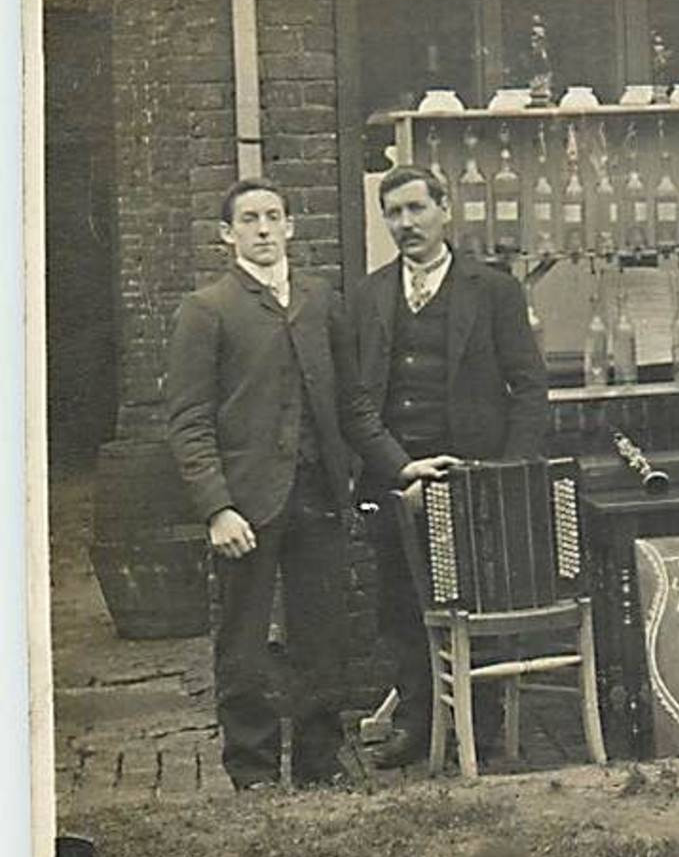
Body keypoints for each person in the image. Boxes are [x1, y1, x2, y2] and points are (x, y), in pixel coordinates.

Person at [166, 178, 442, 791]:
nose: (262, 230)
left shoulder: (321, 302)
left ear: (291, 225)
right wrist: (217, 507)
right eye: (248, 220)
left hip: (319, 496)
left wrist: (400, 465)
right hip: (246, 507)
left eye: (273, 216)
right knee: (244, 640)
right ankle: (254, 769)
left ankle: (320, 762)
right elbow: (188, 422)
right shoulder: (207, 310)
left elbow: (354, 406)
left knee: (323, 634)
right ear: (226, 234)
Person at [341, 165, 551, 769]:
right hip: (399, 479)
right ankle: (417, 724)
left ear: (444, 209)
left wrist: (505, 474)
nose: (406, 224)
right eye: (394, 213)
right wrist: (399, 466)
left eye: (416, 209)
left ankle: (480, 731)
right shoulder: (370, 296)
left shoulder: (493, 290)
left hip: (475, 478)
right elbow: (355, 401)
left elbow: (529, 388)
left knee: (478, 603)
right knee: (402, 606)